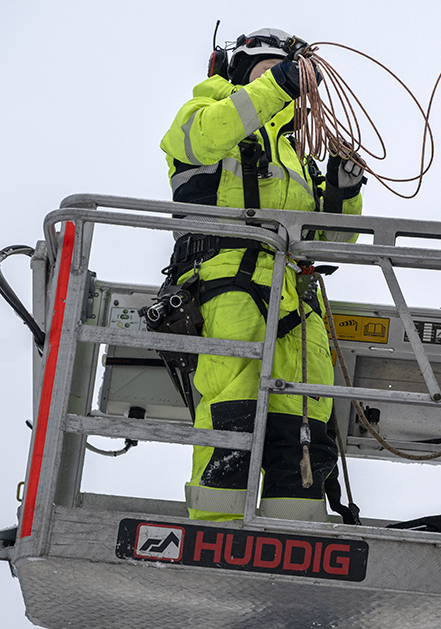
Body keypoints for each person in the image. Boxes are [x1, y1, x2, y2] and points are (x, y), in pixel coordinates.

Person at [158, 27, 365, 522]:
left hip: (298, 299)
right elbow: (202, 139)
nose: (283, 79)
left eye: (288, 72)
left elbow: (333, 246)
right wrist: (279, 85)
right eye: (270, 70)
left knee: (305, 427)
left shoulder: (297, 155)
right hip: (227, 285)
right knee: (233, 413)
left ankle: (294, 537)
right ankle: (216, 533)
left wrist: (343, 192)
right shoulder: (205, 111)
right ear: (240, 71)